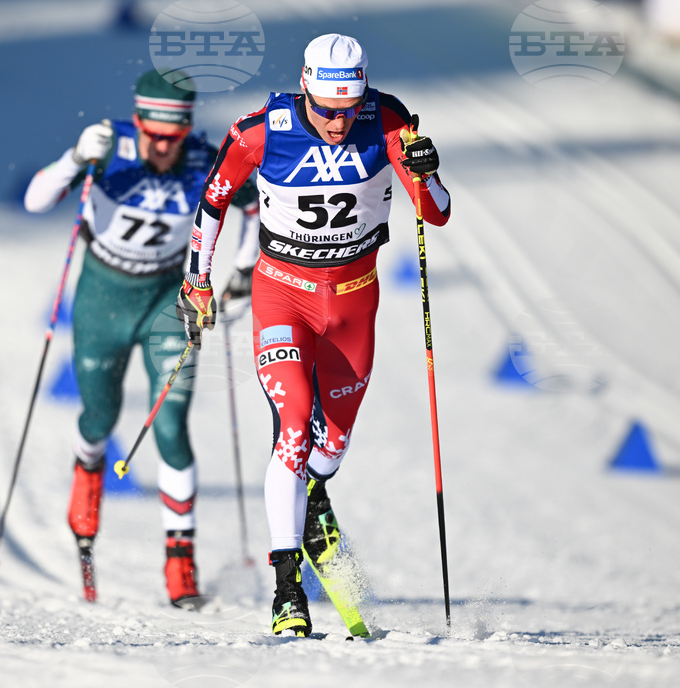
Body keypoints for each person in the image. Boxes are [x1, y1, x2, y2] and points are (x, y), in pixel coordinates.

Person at [176, 33, 451, 635]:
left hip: (354, 304)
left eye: (347, 110)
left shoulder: (389, 119)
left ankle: (315, 500)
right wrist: (197, 280)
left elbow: (436, 212)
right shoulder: (261, 130)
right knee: (295, 424)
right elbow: (213, 201)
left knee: (332, 448)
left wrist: (427, 174)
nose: (336, 122)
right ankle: (286, 590)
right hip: (284, 294)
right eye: (325, 109)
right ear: (305, 86)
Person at [24, 69, 259, 609]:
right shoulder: (109, 145)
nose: (161, 147)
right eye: (153, 134)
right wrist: (75, 160)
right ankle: (87, 468)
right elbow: (36, 201)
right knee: (99, 419)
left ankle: (180, 564)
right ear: (138, 123)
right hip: (101, 301)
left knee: (172, 426)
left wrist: (243, 270)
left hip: (165, 304)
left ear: (187, 130)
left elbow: (252, 208)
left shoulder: (203, 159)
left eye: (172, 138)